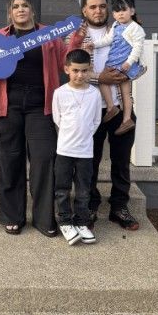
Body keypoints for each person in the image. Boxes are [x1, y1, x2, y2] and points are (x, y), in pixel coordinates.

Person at [0, 0, 81, 237]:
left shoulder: (47, 36)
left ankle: (44, 218)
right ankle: (12, 216)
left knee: (44, 161)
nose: (20, 10)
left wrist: (77, 41)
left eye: (25, 5)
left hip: (40, 106)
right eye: (16, 6)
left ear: (32, 10)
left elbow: (64, 64)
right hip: (7, 106)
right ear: (10, 12)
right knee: (8, 161)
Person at [81, 0, 140, 231]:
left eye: (102, 6)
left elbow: (138, 59)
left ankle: (119, 206)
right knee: (90, 161)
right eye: (92, 7)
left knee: (121, 160)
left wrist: (130, 73)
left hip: (120, 105)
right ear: (84, 11)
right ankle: (90, 204)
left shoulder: (124, 28)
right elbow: (72, 69)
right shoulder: (77, 36)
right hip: (91, 107)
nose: (98, 11)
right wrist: (99, 76)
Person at [52, 48, 102, 246]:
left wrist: (85, 136)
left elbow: (96, 120)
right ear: (66, 70)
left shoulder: (95, 94)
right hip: (64, 150)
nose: (80, 75)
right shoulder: (60, 93)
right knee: (62, 188)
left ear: (89, 70)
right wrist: (69, 136)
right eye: (75, 70)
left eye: (84, 71)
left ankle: (82, 222)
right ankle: (65, 221)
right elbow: (58, 119)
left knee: (83, 189)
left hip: (85, 151)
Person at [88, 0, 146, 136]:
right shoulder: (115, 25)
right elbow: (108, 39)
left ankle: (126, 119)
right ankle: (111, 107)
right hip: (114, 61)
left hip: (125, 64)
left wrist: (129, 62)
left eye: (124, 10)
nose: (120, 14)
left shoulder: (136, 28)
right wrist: (94, 45)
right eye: (116, 11)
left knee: (125, 93)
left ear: (132, 11)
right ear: (113, 14)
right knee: (103, 81)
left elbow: (138, 48)